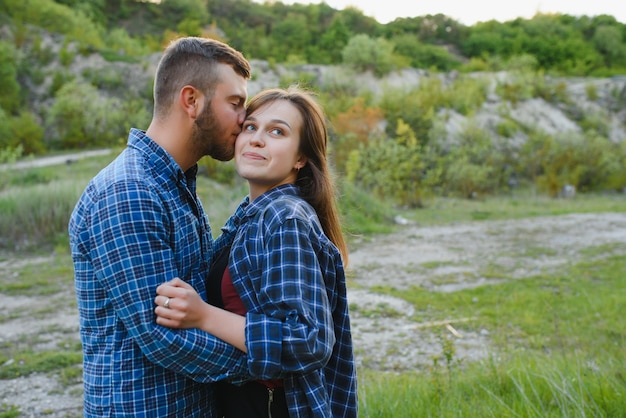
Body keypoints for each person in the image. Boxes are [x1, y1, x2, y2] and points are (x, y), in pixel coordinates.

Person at [68, 36, 253, 417]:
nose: (244, 119)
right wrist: (268, 363)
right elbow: (163, 337)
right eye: (235, 103)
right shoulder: (130, 191)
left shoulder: (173, 182)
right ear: (191, 101)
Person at [154, 86, 358, 417]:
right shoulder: (251, 214)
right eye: (250, 126)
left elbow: (309, 341)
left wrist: (204, 316)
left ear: (300, 158)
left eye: (277, 131)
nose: (257, 139)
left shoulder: (285, 218)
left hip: (275, 406)